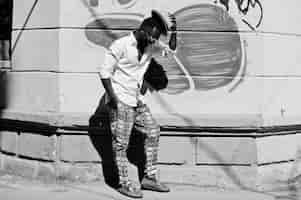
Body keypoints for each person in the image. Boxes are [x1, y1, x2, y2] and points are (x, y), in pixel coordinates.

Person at [92, 10, 177, 198]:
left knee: (153, 131)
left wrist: (174, 31)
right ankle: (123, 183)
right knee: (121, 143)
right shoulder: (120, 45)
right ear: (143, 32)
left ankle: (149, 178)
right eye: (152, 38)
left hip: (137, 99)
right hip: (120, 98)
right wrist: (113, 99)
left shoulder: (150, 45)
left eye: (155, 40)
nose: (154, 43)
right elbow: (104, 72)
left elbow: (171, 50)